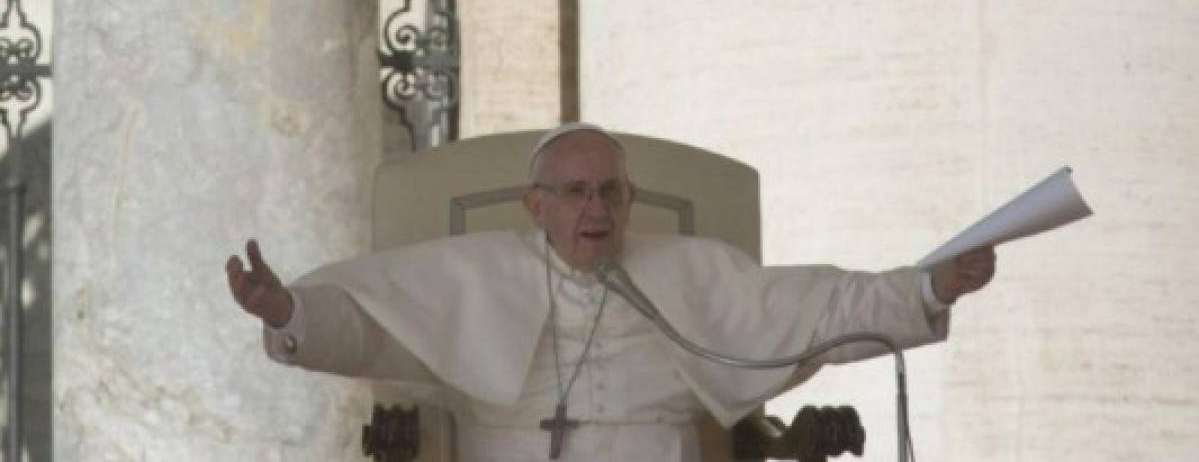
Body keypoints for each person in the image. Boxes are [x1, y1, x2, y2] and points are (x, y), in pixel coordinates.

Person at [227, 123, 996, 461]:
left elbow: (824, 307)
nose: (594, 209)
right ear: (536, 206)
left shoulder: (691, 272)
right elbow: (370, 322)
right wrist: (288, 310)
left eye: (609, 191)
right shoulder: (469, 273)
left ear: (629, 199)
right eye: (573, 193)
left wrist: (930, 286)